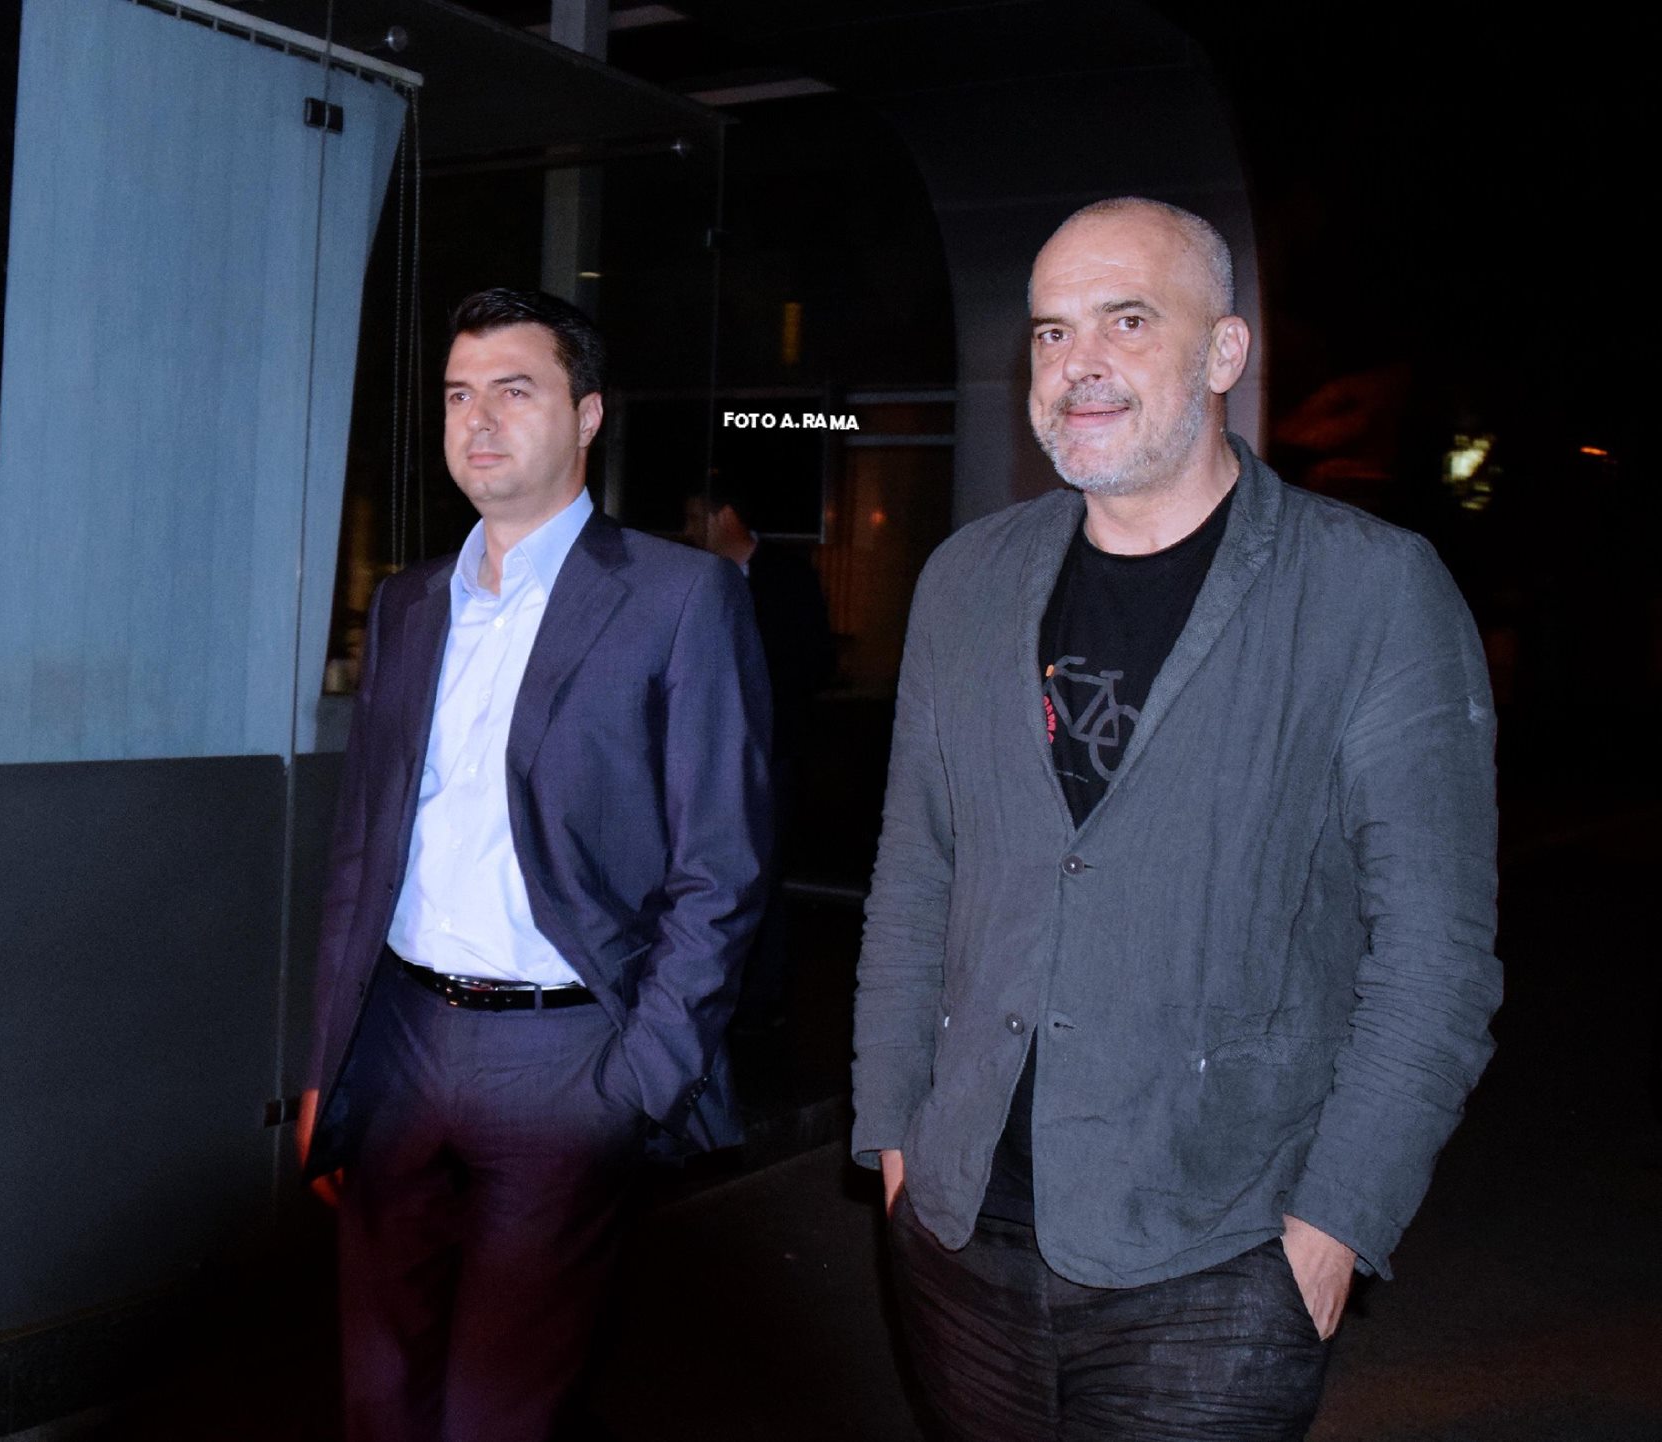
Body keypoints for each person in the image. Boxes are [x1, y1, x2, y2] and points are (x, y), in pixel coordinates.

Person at [852, 197, 1500, 1440]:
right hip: (956, 1228)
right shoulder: (963, 579)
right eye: (1050, 332)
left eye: (1126, 320)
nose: (1076, 362)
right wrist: (890, 1135)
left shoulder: (1369, 589)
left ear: (1221, 352)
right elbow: (915, 877)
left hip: (1220, 1251)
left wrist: (1334, 1223)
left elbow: (1433, 952)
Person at [297, 287, 772, 1442]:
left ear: (587, 413)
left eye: (514, 390)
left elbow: (722, 864)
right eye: (458, 394)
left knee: (495, 1408)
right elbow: (362, 848)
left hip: (566, 1058)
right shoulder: (408, 604)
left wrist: (638, 1079)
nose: (479, 419)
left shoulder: (677, 597)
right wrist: (327, 1062)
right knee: (376, 1393)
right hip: (397, 1043)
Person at [686, 484, 836, 1030]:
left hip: (770, 755)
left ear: (724, 516)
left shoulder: (787, 577)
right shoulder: (697, 578)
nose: (688, 531)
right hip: (706, 757)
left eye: (695, 518)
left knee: (763, 875)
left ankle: (761, 998)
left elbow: (815, 661)